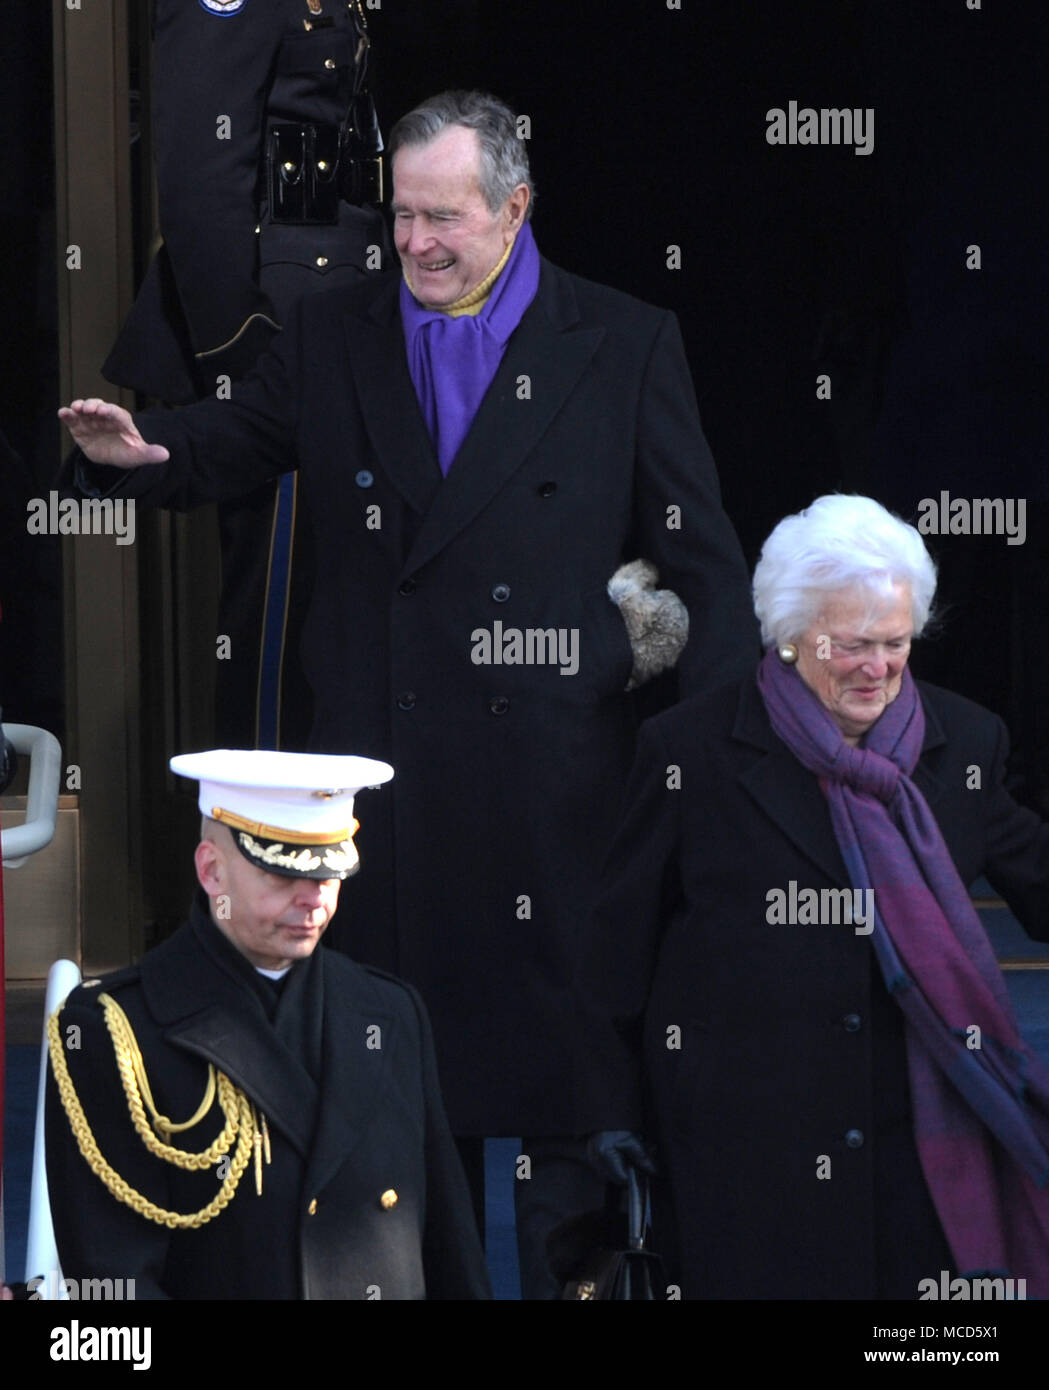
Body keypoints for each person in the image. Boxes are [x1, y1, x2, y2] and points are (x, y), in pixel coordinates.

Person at [57, 89, 758, 1296]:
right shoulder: (333, 332)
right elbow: (234, 443)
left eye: (445, 217)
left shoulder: (624, 340)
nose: (418, 243)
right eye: (402, 216)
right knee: (382, 1154)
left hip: (557, 815)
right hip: (386, 811)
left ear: (515, 208)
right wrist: (143, 450)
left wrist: (715, 779)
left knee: (566, 1160)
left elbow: (705, 572)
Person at [578, 494, 1049, 1299]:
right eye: (852, 645)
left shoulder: (964, 742)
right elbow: (616, 947)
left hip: (922, 1134)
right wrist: (605, 1108)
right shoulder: (689, 749)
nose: (878, 668)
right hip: (749, 1144)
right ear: (790, 637)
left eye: (895, 643)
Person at [43, 749, 491, 1300]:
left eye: (330, 873)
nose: (313, 898)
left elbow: (448, 1244)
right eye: (283, 873)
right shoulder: (117, 1034)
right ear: (212, 870)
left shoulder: (389, 1011)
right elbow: (112, 1283)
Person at [104, 0, 388, 747]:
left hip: (347, 305)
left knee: (336, 612)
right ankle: (258, 851)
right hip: (281, 324)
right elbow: (200, 174)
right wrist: (243, 360)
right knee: (277, 621)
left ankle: (320, 846)